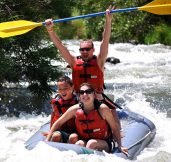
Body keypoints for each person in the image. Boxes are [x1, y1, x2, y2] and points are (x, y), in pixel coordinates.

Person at [45, 6, 121, 129]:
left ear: (93, 50)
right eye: (82, 49)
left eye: (87, 49)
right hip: (78, 97)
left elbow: (105, 40)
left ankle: (117, 138)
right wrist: (50, 30)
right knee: (61, 106)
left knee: (112, 112)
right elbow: (60, 46)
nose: (84, 51)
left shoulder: (99, 61)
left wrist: (108, 20)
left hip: (96, 96)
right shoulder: (73, 62)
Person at [46, 83, 128, 155]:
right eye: (82, 92)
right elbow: (58, 123)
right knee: (78, 144)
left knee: (91, 143)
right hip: (84, 140)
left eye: (88, 92)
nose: (85, 94)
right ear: (80, 96)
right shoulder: (75, 109)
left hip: (104, 142)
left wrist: (120, 146)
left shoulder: (103, 109)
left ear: (94, 94)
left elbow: (114, 128)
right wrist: (47, 140)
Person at [43, 76, 78, 144]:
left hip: (75, 131)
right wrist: (50, 133)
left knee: (73, 137)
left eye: (65, 88)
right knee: (56, 135)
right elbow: (53, 117)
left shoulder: (78, 101)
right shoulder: (56, 102)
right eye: (60, 89)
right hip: (61, 131)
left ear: (72, 87)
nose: (62, 91)